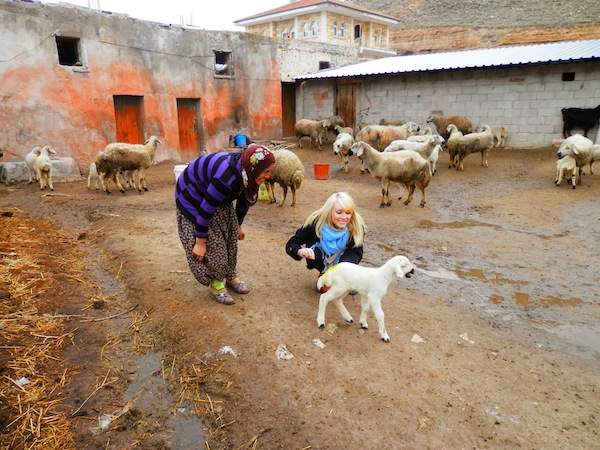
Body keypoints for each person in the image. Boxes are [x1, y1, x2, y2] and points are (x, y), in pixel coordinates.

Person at [176, 144, 275, 305]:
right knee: (215, 245)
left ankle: (230, 276)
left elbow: (244, 200)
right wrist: (200, 241)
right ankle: (216, 284)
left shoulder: (248, 173)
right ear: (254, 168)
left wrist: (238, 224)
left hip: (216, 199)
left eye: (270, 171)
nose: (269, 176)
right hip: (193, 197)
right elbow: (207, 207)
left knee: (230, 241)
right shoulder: (226, 177)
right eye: (266, 171)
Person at [285, 192, 365, 289]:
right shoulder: (315, 222)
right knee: (316, 252)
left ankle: (342, 278)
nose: (344, 217)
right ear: (329, 211)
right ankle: (324, 273)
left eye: (348, 213)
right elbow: (292, 243)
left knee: (347, 272)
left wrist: (344, 267)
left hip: (342, 261)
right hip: (320, 257)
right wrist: (299, 251)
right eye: (339, 212)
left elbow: (356, 252)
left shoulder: (356, 226)